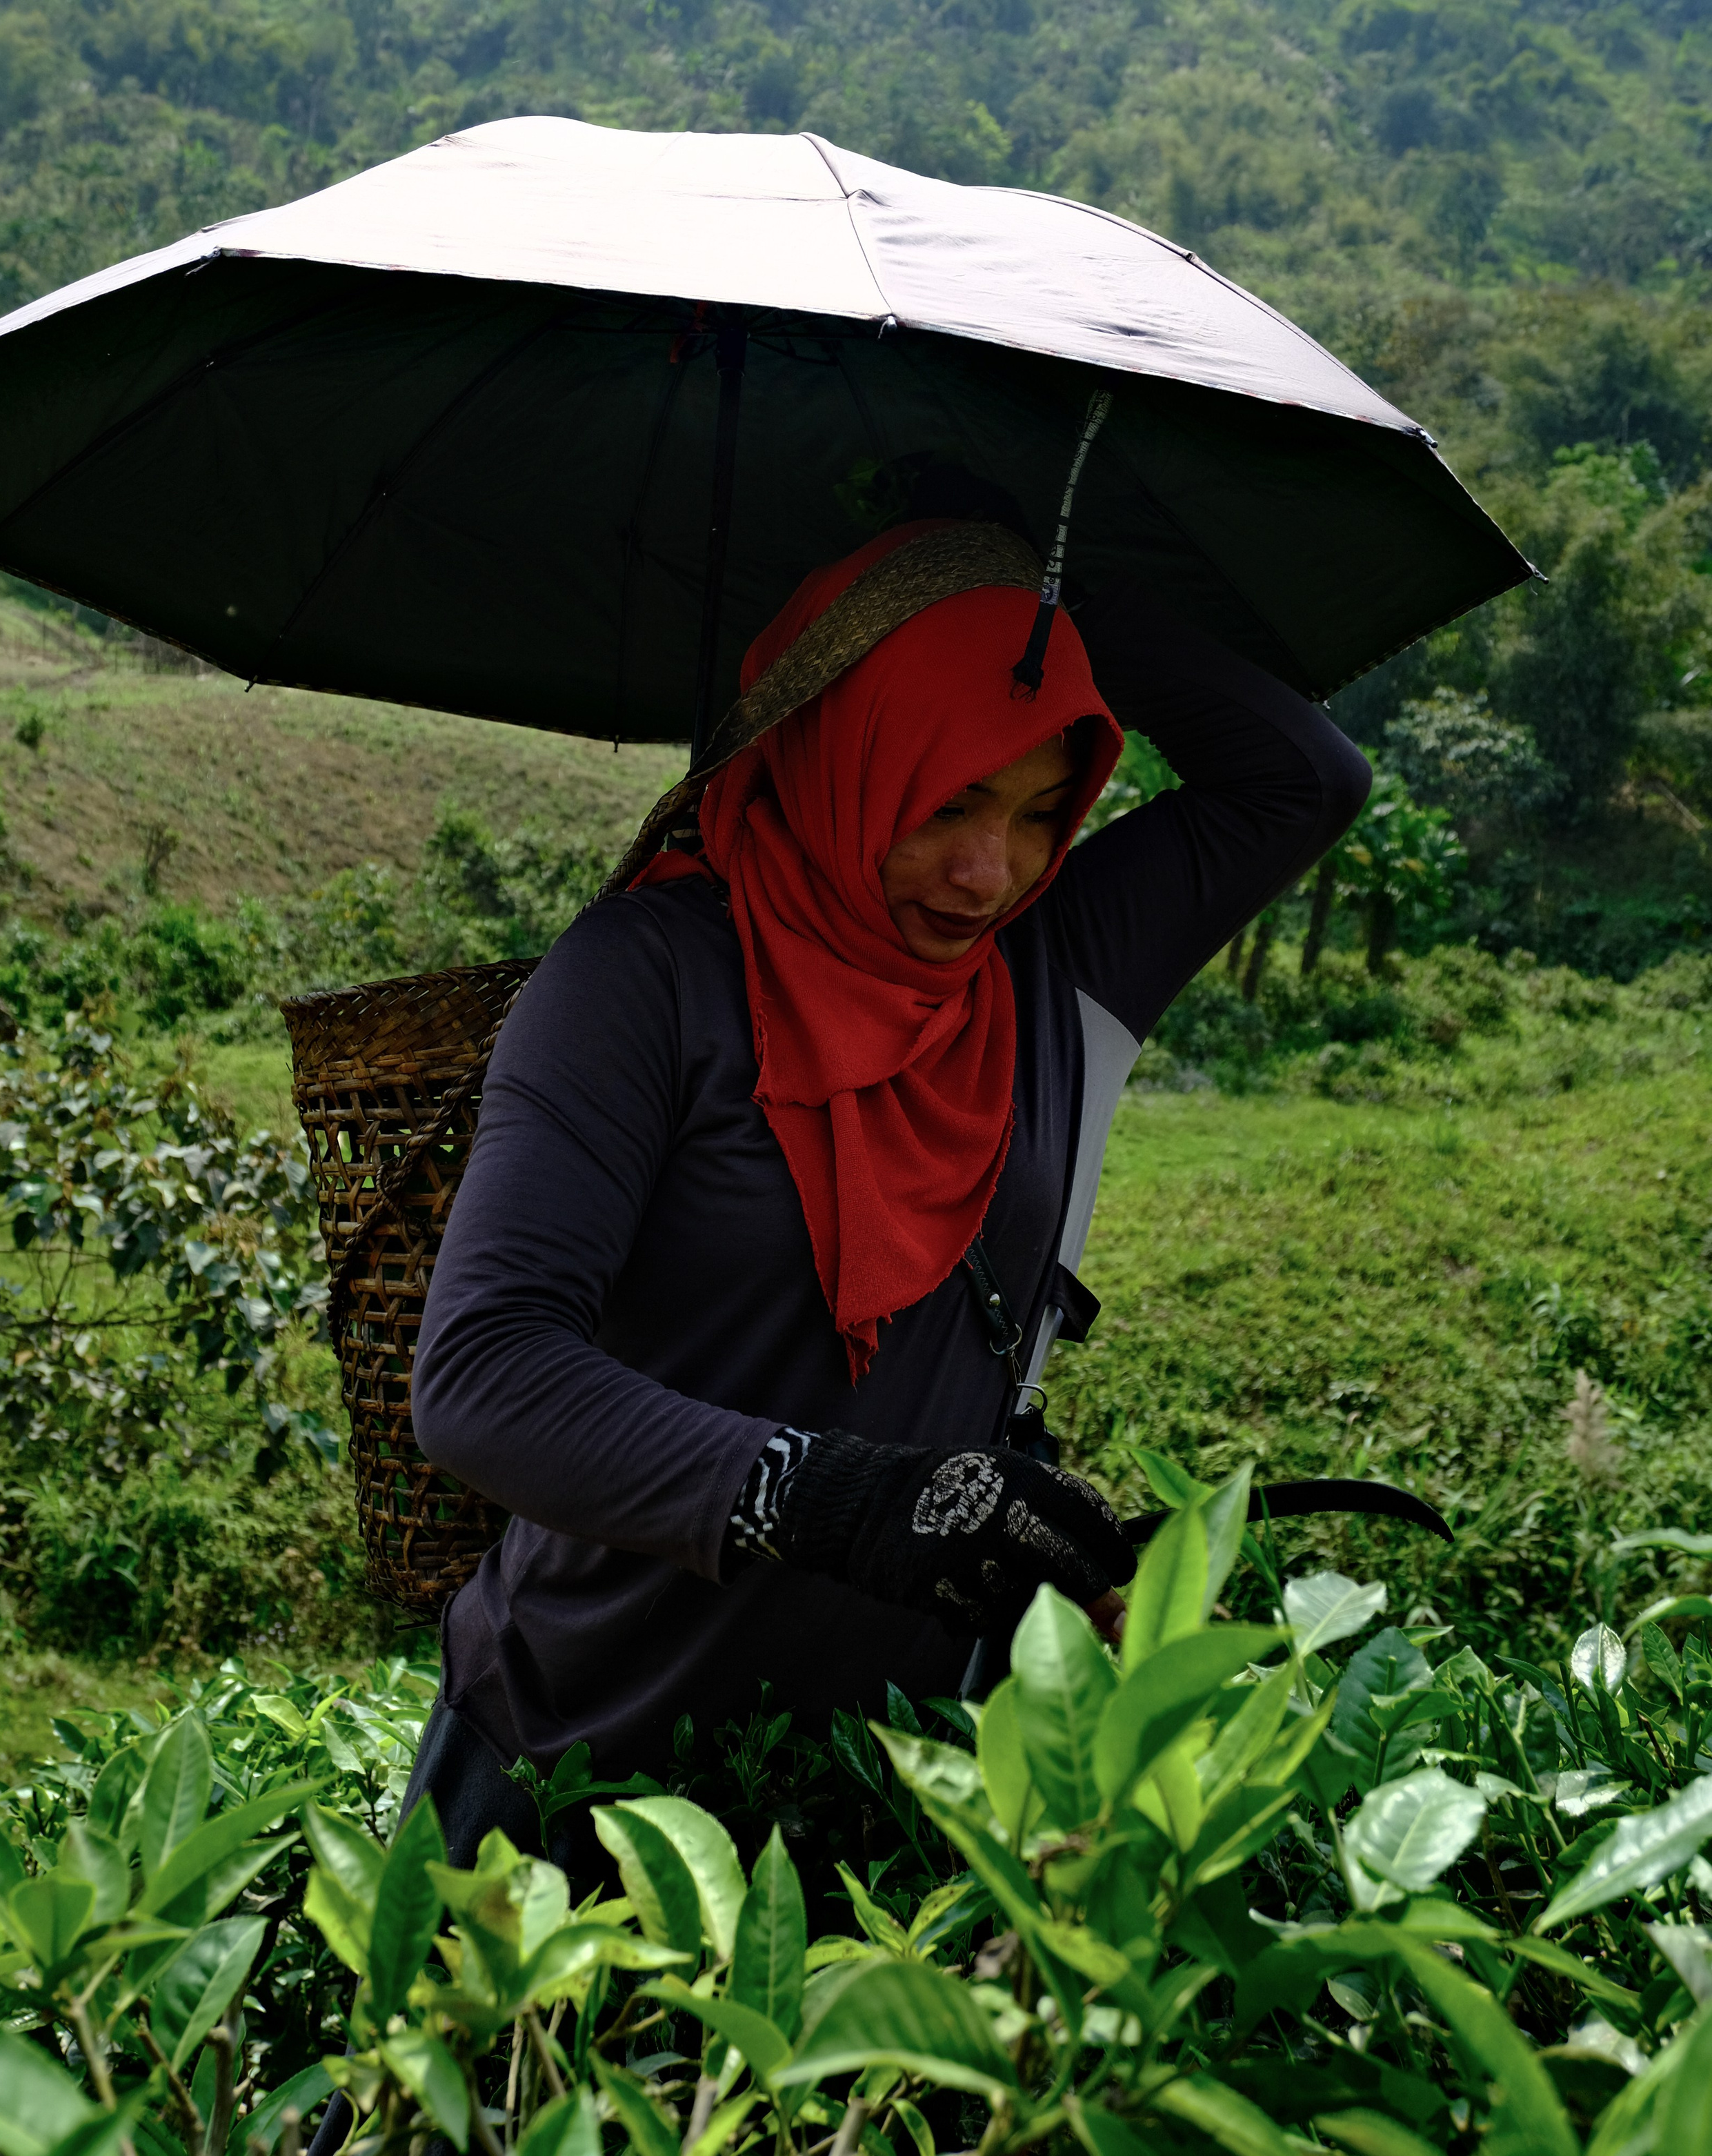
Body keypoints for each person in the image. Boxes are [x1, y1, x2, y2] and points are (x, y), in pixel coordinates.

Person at [398, 508, 1370, 1874]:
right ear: (839, 753)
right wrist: (837, 1497)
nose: (991, 873)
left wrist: (1049, 581)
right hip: (577, 1765)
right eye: (944, 802)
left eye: (1042, 812)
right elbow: (484, 1377)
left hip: (876, 1782)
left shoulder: (1047, 968)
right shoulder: (645, 977)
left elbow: (1301, 780)